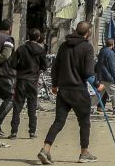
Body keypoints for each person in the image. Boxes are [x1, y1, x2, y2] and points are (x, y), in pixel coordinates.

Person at [38, 21, 100, 164]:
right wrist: (97, 84)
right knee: (84, 123)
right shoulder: (87, 47)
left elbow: (55, 67)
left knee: (59, 121)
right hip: (78, 90)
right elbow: (88, 73)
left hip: (63, 91)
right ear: (88, 32)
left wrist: (54, 85)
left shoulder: (64, 46)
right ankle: (84, 153)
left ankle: (45, 149)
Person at [9, 28, 46, 139]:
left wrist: (21, 68)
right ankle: (32, 131)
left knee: (17, 106)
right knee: (32, 106)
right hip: (33, 81)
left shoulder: (21, 49)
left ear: (28, 37)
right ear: (38, 38)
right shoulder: (40, 50)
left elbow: (13, 64)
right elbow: (44, 66)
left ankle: (14, 131)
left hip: (21, 80)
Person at [94, 37, 115, 115]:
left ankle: (90, 107)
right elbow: (112, 67)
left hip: (100, 75)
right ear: (113, 44)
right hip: (108, 76)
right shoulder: (110, 53)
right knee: (114, 92)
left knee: (99, 92)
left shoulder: (102, 51)